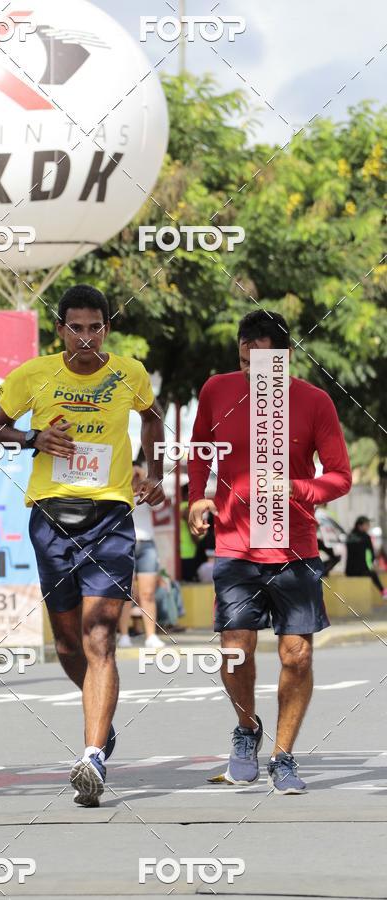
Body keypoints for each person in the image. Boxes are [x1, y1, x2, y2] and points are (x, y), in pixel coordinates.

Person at [0, 284, 165, 807]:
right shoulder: (34, 375)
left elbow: (152, 418)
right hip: (51, 517)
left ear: (106, 329)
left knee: (100, 637)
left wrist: (153, 474)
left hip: (110, 516)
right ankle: (100, 719)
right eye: (76, 328)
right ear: (60, 329)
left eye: (96, 328)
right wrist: (33, 439)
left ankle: (92, 755)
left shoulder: (128, 373)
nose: (86, 338)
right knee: (68, 644)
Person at [188, 310, 351, 794]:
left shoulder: (315, 402)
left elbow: (339, 476)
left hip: (295, 548)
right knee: (235, 649)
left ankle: (282, 755)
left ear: (286, 357)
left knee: (297, 655)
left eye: (263, 364)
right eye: (244, 362)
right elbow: (200, 451)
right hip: (235, 545)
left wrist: (296, 488)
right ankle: (246, 729)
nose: (253, 373)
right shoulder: (216, 390)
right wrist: (198, 497)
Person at [118, 464, 165, 649]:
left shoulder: (146, 490)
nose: (135, 476)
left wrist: (146, 480)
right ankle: (123, 635)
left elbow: (159, 506)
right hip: (125, 543)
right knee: (125, 593)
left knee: (148, 593)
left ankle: (151, 636)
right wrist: (128, 481)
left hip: (146, 543)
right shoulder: (120, 487)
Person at [346, 516, 387, 598]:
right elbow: (371, 553)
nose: (368, 526)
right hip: (361, 570)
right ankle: (383, 591)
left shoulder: (350, 536)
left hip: (349, 570)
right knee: (373, 574)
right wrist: (371, 563)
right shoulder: (366, 537)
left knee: (371, 573)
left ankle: (383, 591)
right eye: (367, 524)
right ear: (360, 526)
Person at [179, 481, 199, 582]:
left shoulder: (178, 508)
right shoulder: (187, 509)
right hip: (189, 553)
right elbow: (192, 530)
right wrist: (199, 544)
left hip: (180, 552)